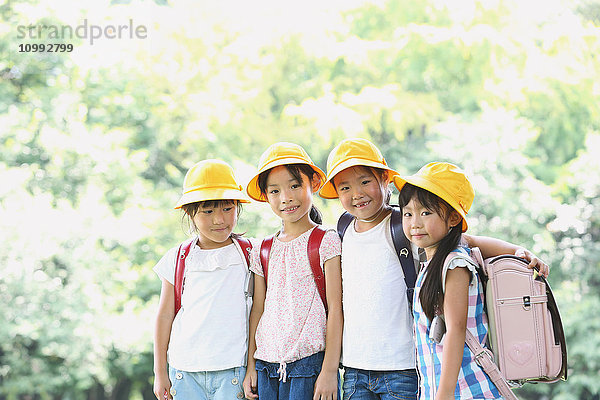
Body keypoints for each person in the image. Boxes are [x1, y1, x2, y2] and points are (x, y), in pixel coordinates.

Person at [318, 139, 549, 400]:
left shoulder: (406, 228)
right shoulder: (343, 230)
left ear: (384, 179)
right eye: (345, 187)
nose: (356, 193)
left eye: (364, 182)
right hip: (356, 367)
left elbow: (469, 240)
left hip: (404, 367)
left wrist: (517, 251)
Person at [394, 162, 534, 399]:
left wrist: (444, 393)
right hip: (444, 388)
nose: (415, 222)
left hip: (464, 390)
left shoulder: (454, 264)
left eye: (425, 213)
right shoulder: (438, 259)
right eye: (408, 213)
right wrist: (517, 249)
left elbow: (456, 330)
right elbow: (472, 240)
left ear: (452, 218)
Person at [242, 142, 343, 400]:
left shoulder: (325, 240)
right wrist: (251, 366)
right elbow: (258, 309)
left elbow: (335, 308)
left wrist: (330, 370)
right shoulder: (263, 249)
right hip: (265, 367)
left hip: (308, 366)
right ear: (265, 196)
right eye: (274, 191)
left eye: (294, 185)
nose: (285, 197)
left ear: (312, 184)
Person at [152, 159, 253, 400]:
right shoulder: (178, 258)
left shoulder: (251, 254)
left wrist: (252, 368)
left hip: (233, 369)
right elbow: (165, 315)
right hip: (184, 371)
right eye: (208, 211)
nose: (219, 219)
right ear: (190, 212)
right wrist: (159, 372)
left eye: (227, 209)